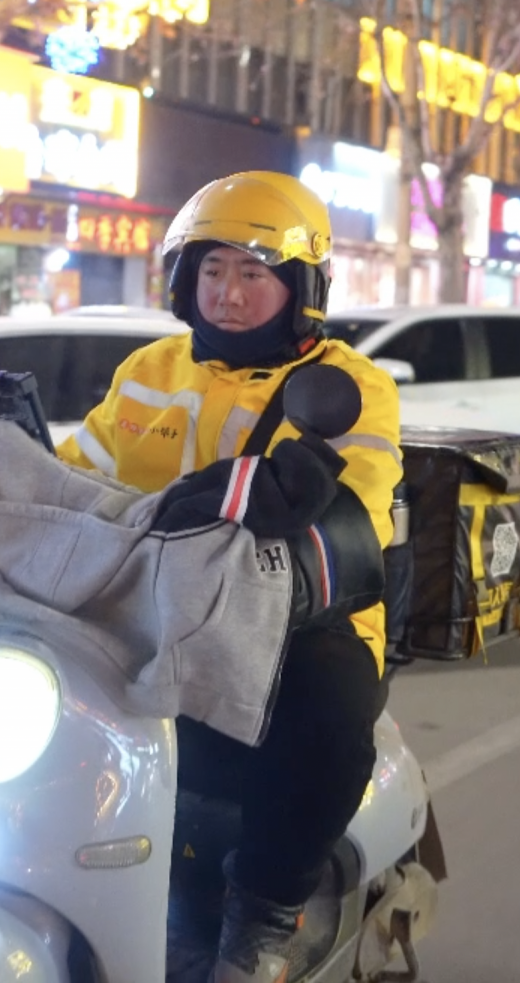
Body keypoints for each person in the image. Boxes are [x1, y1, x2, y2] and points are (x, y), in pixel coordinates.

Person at [55, 172, 402, 983]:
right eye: (213, 269)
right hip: (150, 607)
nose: (229, 293)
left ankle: (262, 918)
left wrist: (285, 497)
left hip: (297, 621)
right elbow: (76, 477)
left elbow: (359, 513)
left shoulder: (352, 385)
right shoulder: (150, 368)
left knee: (330, 699)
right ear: (185, 279)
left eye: (254, 272)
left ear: (303, 287)